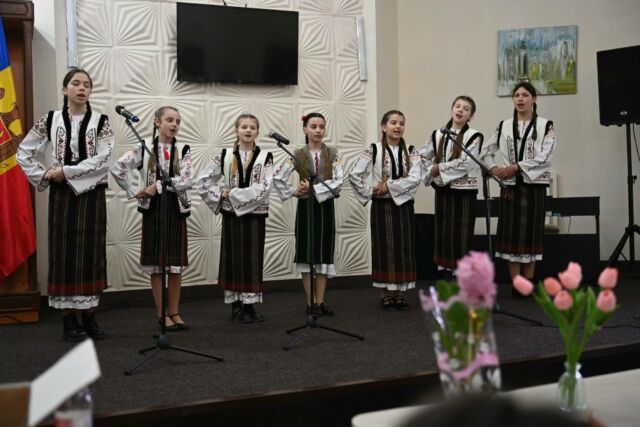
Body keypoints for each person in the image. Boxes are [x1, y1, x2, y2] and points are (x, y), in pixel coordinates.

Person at [17, 68, 112, 341]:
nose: (81, 88)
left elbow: (104, 158)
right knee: (64, 253)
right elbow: (23, 152)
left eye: (86, 85)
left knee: (91, 252)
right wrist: (45, 174)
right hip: (62, 197)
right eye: (76, 83)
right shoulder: (51, 119)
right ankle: (69, 320)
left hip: (92, 195)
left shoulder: (101, 121)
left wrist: (66, 172)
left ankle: (90, 316)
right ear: (64, 89)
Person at [110, 106, 192, 331]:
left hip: (176, 208)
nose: (174, 125)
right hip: (153, 209)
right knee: (157, 265)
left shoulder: (183, 149)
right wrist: (132, 190)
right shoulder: (143, 146)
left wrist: (156, 186)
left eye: (177, 121)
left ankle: (174, 311)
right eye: (169, 120)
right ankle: (161, 313)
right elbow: (118, 168)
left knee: (175, 265)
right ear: (157, 122)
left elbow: (186, 179)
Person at [196, 114, 273, 323]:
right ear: (236, 130)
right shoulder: (225, 154)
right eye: (244, 127)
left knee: (252, 258)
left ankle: (249, 305)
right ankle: (236, 305)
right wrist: (220, 193)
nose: (248, 130)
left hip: (255, 215)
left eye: (252, 127)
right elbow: (203, 180)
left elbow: (265, 187)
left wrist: (233, 194)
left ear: (257, 132)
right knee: (232, 257)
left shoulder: (265, 156)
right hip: (231, 215)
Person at [481, 82, 556, 284]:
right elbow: (485, 151)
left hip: (534, 187)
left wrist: (516, 167)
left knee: (531, 232)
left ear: (534, 98)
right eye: (516, 95)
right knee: (511, 233)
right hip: (510, 186)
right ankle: (516, 283)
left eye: (525, 95)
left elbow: (546, 157)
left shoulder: (545, 125)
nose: (520, 99)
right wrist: (494, 169)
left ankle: (529, 281)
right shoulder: (503, 126)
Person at [349, 110, 420, 310]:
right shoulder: (374, 149)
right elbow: (354, 174)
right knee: (384, 248)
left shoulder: (412, 151)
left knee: (403, 248)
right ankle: (385, 293)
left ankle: (400, 293)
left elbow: (416, 178)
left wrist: (388, 186)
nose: (398, 127)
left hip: (404, 207)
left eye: (401, 123)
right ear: (383, 126)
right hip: (382, 206)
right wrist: (370, 190)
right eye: (393, 122)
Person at [273, 113, 343, 316]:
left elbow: (339, 181)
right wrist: (293, 191)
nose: (318, 130)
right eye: (313, 126)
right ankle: (310, 302)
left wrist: (314, 188)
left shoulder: (333, 153)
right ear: (305, 129)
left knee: (323, 254)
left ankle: (320, 301)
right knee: (306, 253)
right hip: (305, 207)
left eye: (321, 126)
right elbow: (278, 177)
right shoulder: (297, 154)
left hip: (326, 206)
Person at [421, 96, 483, 274]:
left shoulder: (474, 136)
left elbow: (466, 163)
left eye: (466, 109)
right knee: (444, 232)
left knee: (462, 234)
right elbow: (422, 156)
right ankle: (445, 275)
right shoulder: (438, 134)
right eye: (457, 106)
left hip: (464, 193)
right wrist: (429, 171)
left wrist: (438, 168)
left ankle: (462, 276)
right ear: (452, 109)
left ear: (470, 116)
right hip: (443, 191)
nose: (460, 110)